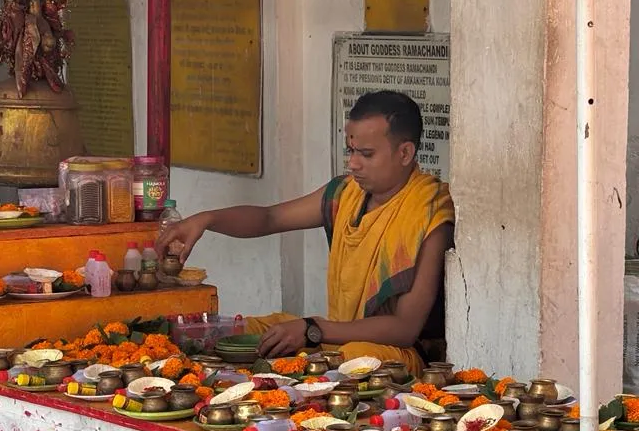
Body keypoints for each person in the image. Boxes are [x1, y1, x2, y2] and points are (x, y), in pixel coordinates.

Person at [158, 91, 454, 374]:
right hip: (333, 335)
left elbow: (405, 328)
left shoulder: (428, 212)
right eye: (351, 151)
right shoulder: (344, 195)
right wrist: (206, 220)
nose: (353, 163)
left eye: (366, 154)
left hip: (395, 354)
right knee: (252, 330)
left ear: (405, 153)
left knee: (350, 356)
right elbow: (269, 218)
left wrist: (312, 329)